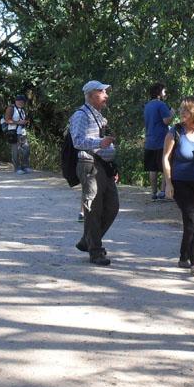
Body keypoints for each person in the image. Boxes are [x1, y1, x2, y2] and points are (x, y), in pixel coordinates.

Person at [162, 97, 194, 272]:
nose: (181, 112)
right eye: (181, 109)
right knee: (191, 218)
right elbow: (165, 158)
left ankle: (183, 255)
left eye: (185, 110)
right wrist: (168, 183)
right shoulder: (175, 131)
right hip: (180, 182)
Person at [71, 80, 118, 266]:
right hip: (89, 164)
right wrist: (100, 143)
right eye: (102, 91)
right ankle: (96, 251)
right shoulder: (81, 115)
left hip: (103, 166)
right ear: (91, 95)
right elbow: (77, 141)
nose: (106, 95)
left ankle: (88, 240)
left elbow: (105, 144)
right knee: (94, 209)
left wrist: (113, 166)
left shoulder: (98, 115)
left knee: (112, 206)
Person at [143, 82, 174, 200]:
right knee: (164, 166)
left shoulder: (147, 106)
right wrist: (172, 113)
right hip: (161, 140)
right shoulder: (161, 105)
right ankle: (162, 192)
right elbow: (166, 121)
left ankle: (153, 193)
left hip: (149, 140)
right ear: (159, 93)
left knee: (153, 168)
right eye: (164, 91)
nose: (165, 94)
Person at [5, 94, 31, 175]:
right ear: (16, 101)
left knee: (26, 149)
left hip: (22, 132)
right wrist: (18, 122)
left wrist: (25, 122)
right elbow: (7, 120)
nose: (21, 103)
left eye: (22, 102)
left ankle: (25, 166)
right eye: (19, 101)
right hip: (13, 132)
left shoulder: (22, 110)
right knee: (15, 151)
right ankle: (17, 168)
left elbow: (23, 120)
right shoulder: (11, 108)